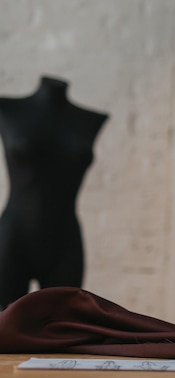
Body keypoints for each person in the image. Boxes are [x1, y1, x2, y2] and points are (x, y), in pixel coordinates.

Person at [0, 76, 108, 310]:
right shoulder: (7, 109)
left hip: (64, 243)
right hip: (13, 240)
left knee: (63, 330)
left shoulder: (89, 120)